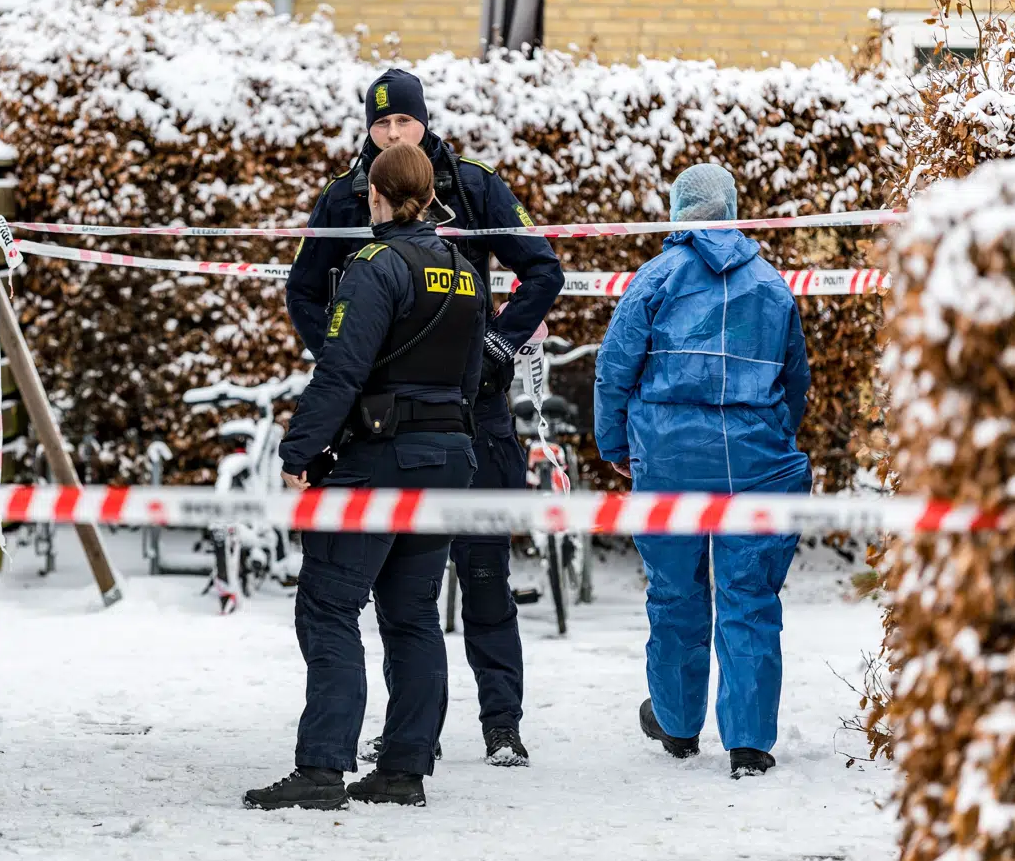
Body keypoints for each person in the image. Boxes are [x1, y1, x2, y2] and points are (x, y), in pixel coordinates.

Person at [287, 68, 562, 767]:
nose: (391, 133)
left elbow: (543, 270)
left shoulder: (473, 185)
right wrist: (349, 358)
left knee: (484, 573)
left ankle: (502, 722)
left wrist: (497, 346)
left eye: (402, 121)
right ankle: (414, 737)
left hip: (476, 410)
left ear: (424, 121)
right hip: (383, 420)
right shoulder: (345, 196)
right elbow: (304, 290)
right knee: (405, 596)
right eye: (380, 123)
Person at [245, 143, 484, 810]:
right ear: (430, 197)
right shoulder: (466, 271)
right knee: (413, 613)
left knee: (328, 604)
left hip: (384, 456)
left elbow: (341, 369)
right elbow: (473, 376)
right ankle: (404, 770)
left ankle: (322, 769)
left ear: (375, 195)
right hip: (449, 457)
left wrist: (299, 451)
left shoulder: (375, 266)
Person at [592, 163, 812, 779]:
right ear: (734, 209)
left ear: (677, 210)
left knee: (675, 593)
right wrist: (773, 436)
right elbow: (795, 379)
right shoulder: (771, 285)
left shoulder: (655, 277)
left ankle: (677, 724)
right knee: (750, 595)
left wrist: (615, 445)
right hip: (756, 461)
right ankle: (749, 743)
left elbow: (615, 369)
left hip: (667, 459)